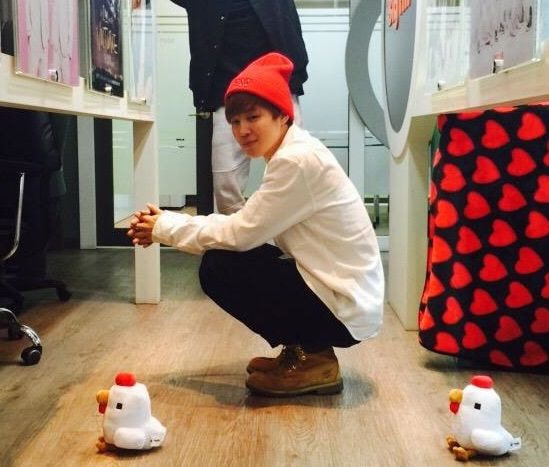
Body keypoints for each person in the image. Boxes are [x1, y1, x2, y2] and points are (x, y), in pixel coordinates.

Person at [128, 53, 384, 397]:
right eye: (234, 121)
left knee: (220, 267)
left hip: (344, 307)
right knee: (233, 257)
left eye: (253, 117)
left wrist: (164, 226)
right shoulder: (294, 152)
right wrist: (168, 224)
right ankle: (304, 350)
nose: (242, 131)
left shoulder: (295, 161)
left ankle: (314, 358)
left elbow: (240, 233)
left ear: (282, 115)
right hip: (341, 292)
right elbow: (248, 227)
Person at [169, 0, 309, 214]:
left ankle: (291, 228)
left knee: (295, 162)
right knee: (226, 178)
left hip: (278, 87)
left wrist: (296, 72)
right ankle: (236, 231)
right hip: (226, 92)